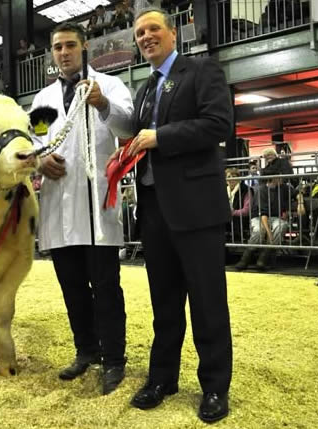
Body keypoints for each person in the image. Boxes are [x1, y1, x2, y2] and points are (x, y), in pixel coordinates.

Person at [124, 8, 233, 422]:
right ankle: (162, 378)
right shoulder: (144, 88)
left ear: (174, 33)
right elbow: (142, 139)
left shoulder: (202, 70)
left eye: (153, 29)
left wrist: (160, 137)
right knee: (164, 303)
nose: (146, 36)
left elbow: (218, 124)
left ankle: (214, 389)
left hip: (196, 209)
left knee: (208, 303)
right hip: (153, 209)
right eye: (139, 33)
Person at [30, 22, 134, 395]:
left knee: (106, 287)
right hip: (59, 205)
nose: (64, 52)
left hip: (97, 207)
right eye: (57, 47)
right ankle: (85, 349)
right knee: (72, 286)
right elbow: (34, 142)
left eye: (70, 45)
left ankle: (114, 359)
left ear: (84, 47)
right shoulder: (42, 98)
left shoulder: (109, 85)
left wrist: (102, 103)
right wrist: (39, 162)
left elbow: (129, 125)